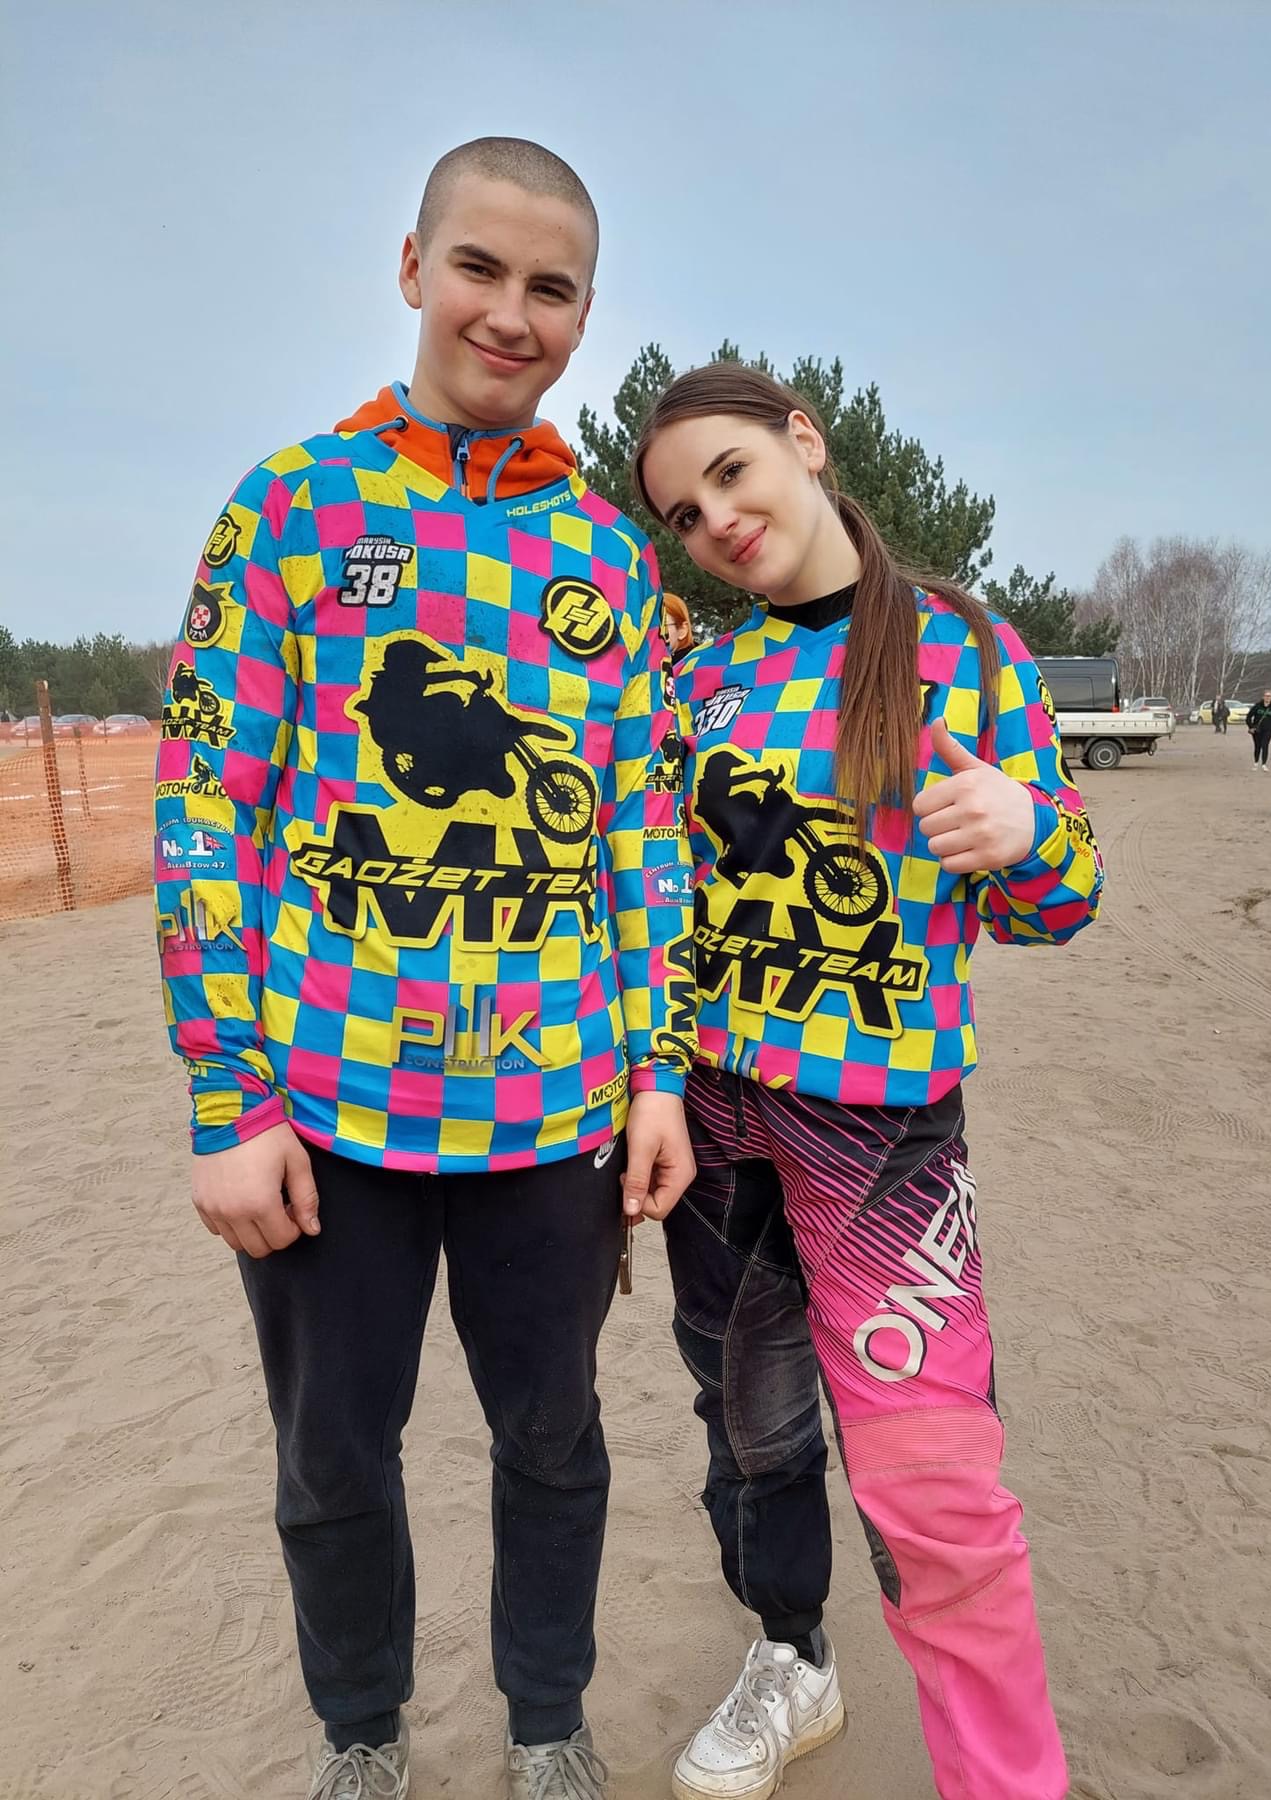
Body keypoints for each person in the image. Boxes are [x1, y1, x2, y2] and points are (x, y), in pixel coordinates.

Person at [154, 137, 698, 1800]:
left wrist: (657, 1071)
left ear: (586, 315)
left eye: (553, 288)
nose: (511, 313)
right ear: (412, 267)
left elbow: (644, 835)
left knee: (554, 1440)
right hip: (327, 1117)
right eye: (480, 268)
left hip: (553, 1116)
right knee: (333, 1455)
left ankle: (546, 1725)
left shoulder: (611, 556)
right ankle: (363, 1735)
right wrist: (230, 1093)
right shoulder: (289, 507)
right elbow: (204, 810)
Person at [632, 364, 1103, 1800]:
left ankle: (1005, 1781)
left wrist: (1028, 831)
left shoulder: (967, 650)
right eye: (681, 512)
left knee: (938, 1489)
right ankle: (794, 1657)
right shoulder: (698, 680)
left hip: (883, 1145)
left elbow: (1059, 905)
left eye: (729, 472)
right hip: (713, 1130)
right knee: (748, 1432)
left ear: (805, 440)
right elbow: (652, 904)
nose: (715, 521)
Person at [1246, 690, 1271, 767]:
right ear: (1263, 697)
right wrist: (1251, 727)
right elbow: (1248, 717)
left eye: (1269, 696)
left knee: (1265, 745)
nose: (1267, 697)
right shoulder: (1257, 706)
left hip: (1268, 730)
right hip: (1257, 730)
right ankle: (1256, 762)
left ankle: (1264, 764)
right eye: (1266, 696)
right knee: (1257, 746)